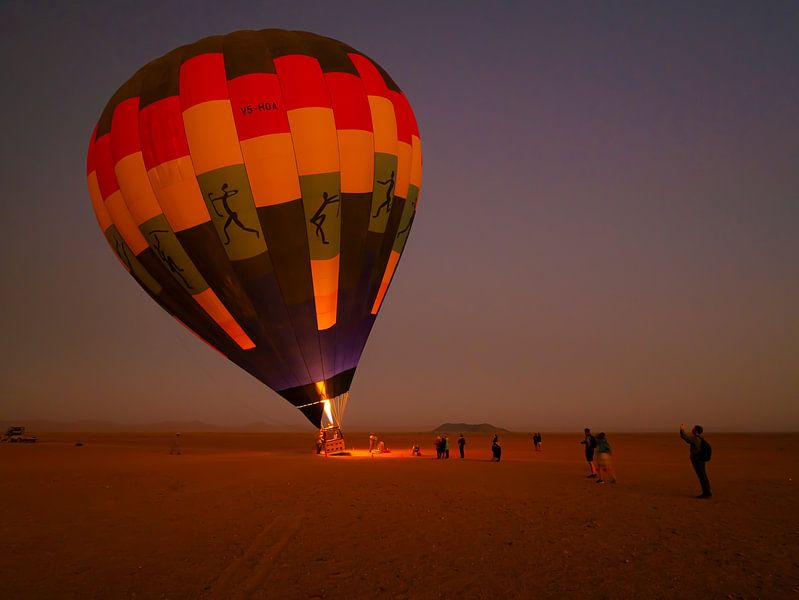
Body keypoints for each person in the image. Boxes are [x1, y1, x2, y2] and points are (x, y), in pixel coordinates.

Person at [680, 424, 712, 498]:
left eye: (693, 428)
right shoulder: (700, 438)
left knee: (702, 476)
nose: (692, 429)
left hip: (697, 459)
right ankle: (707, 492)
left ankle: (706, 493)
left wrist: (681, 429)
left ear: (696, 430)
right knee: (703, 475)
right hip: (701, 459)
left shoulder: (695, 438)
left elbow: (685, 437)